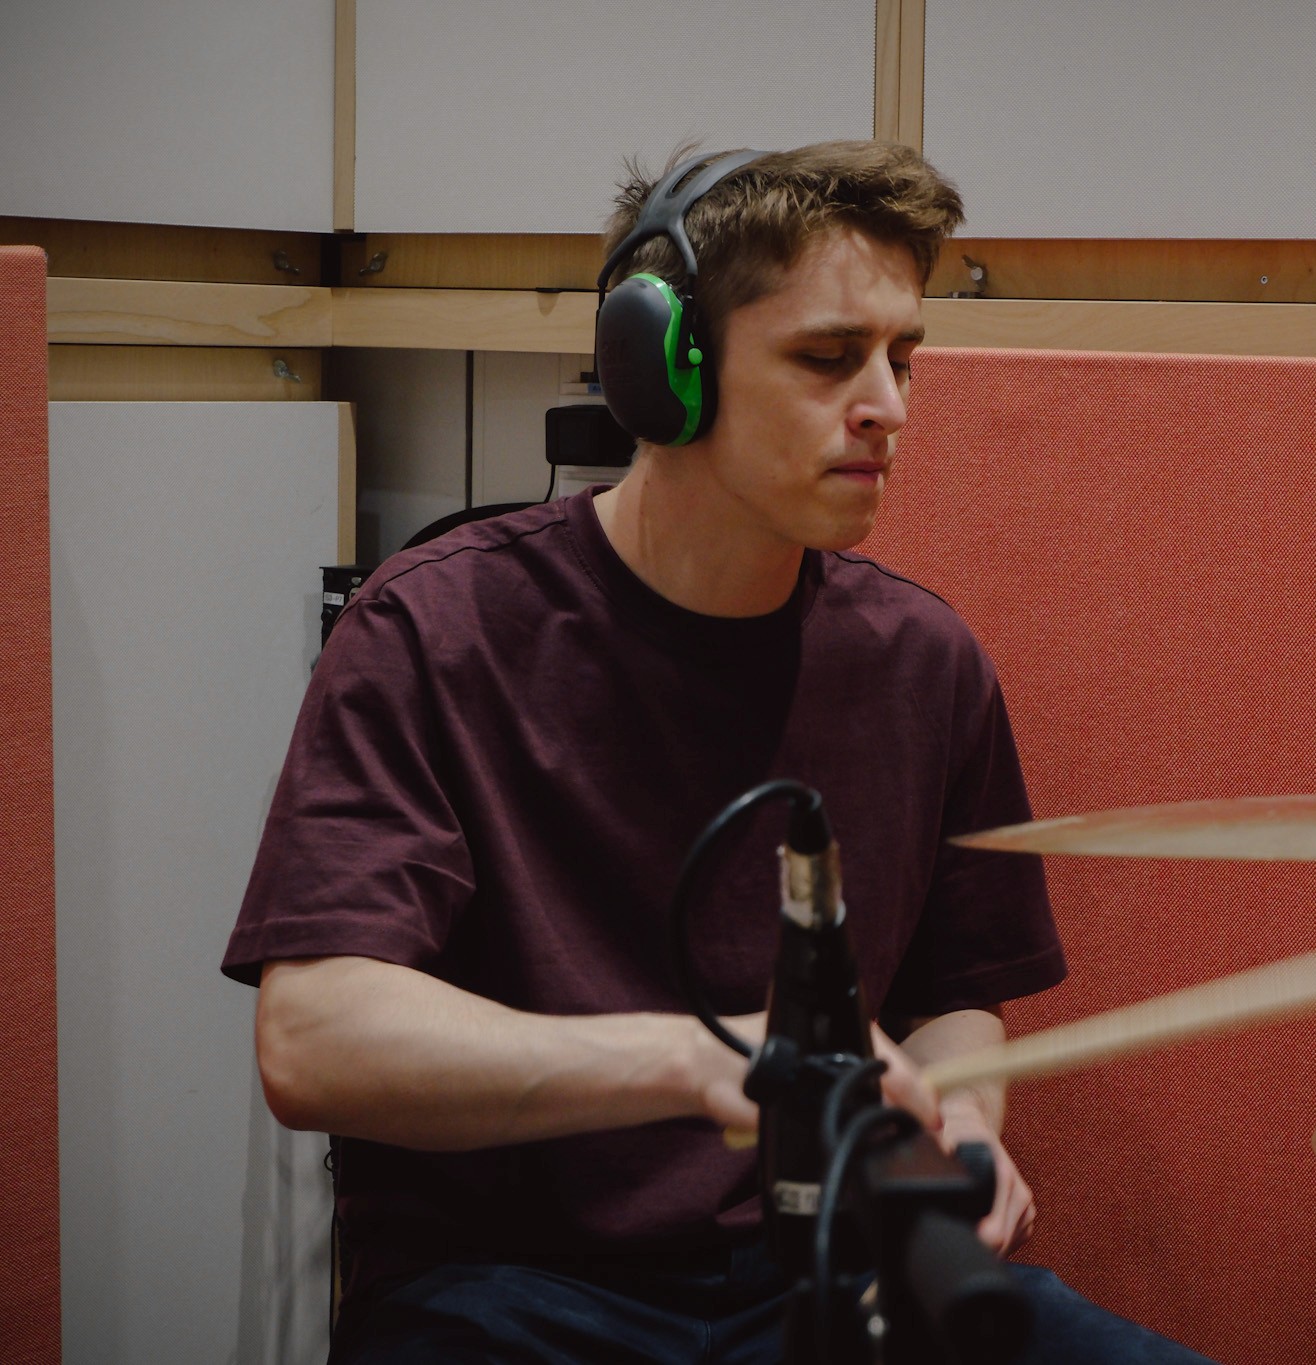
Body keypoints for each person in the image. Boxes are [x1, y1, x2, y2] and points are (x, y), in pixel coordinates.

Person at [222, 140, 1213, 1364]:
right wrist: (700, 1058)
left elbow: (952, 996)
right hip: (511, 1293)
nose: (890, 409)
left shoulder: (923, 660)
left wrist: (955, 1128)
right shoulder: (435, 630)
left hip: (837, 1268)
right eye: (825, 358)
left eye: (901, 360)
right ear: (664, 368)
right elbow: (315, 1040)